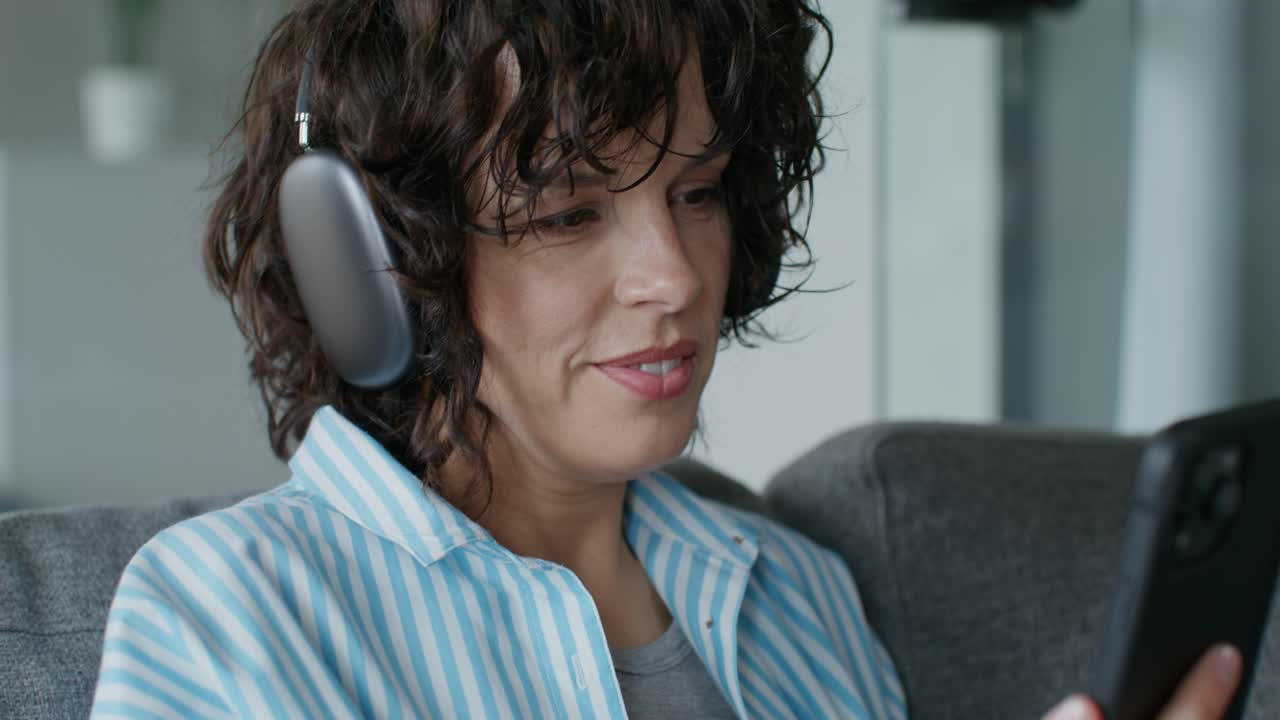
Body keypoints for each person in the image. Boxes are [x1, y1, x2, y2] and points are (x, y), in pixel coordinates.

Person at [90, 1, 1241, 718]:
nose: (677, 275)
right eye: (566, 213)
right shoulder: (227, 614)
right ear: (368, 261)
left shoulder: (794, 595)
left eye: (695, 192)